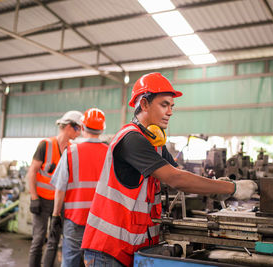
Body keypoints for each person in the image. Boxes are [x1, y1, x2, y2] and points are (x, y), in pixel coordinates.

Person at [81, 73, 258, 267]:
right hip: (109, 248)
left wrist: (218, 186)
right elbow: (176, 179)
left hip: (132, 246)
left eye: (172, 106)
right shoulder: (131, 139)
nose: (170, 112)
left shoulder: (154, 143)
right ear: (145, 104)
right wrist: (232, 188)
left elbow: (181, 173)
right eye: (164, 105)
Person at [49, 108, 108, 267]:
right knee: (97, 262)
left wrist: (56, 215)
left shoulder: (71, 152)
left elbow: (60, 189)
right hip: (101, 222)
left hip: (75, 220)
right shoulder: (110, 154)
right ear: (102, 129)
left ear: (82, 128)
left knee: (70, 262)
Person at [27, 110, 83, 267]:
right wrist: (34, 198)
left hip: (59, 203)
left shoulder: (73, 150)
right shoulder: (46, 145)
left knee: (54, 240)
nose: (80, 132)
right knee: (38, 240)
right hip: (41, 201)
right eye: (78, 128)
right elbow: (32, 172)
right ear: (68, 126)